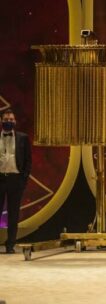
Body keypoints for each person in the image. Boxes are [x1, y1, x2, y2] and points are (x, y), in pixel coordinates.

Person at [0, 108, 31, 253]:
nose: (9, 122)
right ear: (1, 121)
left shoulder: (22, 138)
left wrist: (23, 180)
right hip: (0, 178)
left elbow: (28, 161)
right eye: (6, 120)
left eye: (11, 119)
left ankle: (10, 245)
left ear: (15, 121)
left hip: (15, 180)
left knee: (13, 214)